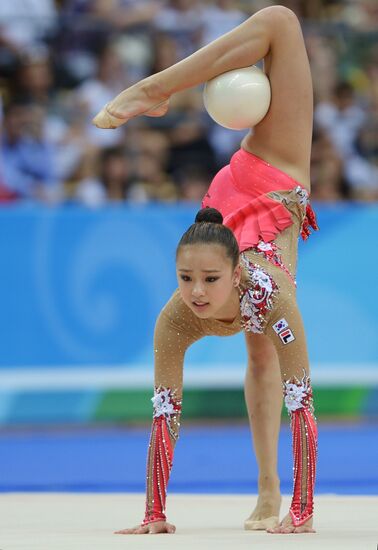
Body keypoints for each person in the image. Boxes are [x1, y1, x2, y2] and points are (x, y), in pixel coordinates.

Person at [93, 5, 319, 535]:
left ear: (234, 275)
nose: (194, 294)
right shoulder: (178, 316)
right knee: (280, 23)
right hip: (254, 195)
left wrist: (302, 514)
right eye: (185, 281)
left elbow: (303, 404)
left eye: (208, 282)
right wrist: (153, 516)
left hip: (255, 189)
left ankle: (155, 88)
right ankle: (267, 489)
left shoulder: (264, 293)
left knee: (281, 20)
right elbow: (163, 413)